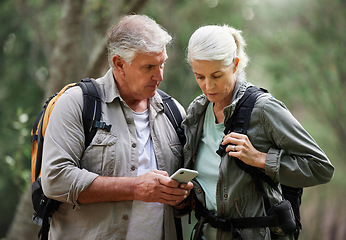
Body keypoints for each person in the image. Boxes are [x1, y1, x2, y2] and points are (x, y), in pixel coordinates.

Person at [41, 14, 193, 240]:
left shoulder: (174, 112)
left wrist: (183, 197)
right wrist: (135, 188)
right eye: (149, 66)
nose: (159, 75)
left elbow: (188, 199)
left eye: (162, 64)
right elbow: (55, 179)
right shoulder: (77, 103)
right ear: (119, 63)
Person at [182, 25, 334, 240]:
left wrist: (261, 159)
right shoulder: (196, 112)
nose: (208, 86)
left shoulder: (263, 109)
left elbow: (321, 168)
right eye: (200, 77)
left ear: (234, 65)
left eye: (216, 75)